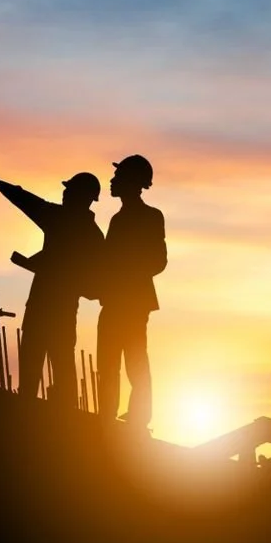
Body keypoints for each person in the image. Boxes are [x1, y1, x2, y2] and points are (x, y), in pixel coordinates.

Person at [0, 163, 103, 409]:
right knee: (55, 364)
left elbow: (28, 201)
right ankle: (61, 416)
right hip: (56, 308)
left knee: (44, 364)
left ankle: (38, 416)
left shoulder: (63, 221)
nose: (64, 193)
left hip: (49, 307)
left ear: (82, 196)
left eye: (69, 190)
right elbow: (27, 200)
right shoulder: (92, 234)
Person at [95, 154, 166, 432]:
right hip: (115, 301)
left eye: (118, 176)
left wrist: (125, 273)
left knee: (135, 360)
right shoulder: (117, 219)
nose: (112, 181)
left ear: (132, 182)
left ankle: (139, 416)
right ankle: (107, 414)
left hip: (133, 303)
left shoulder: (151, 216)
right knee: (108, 361)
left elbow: (158, 260)